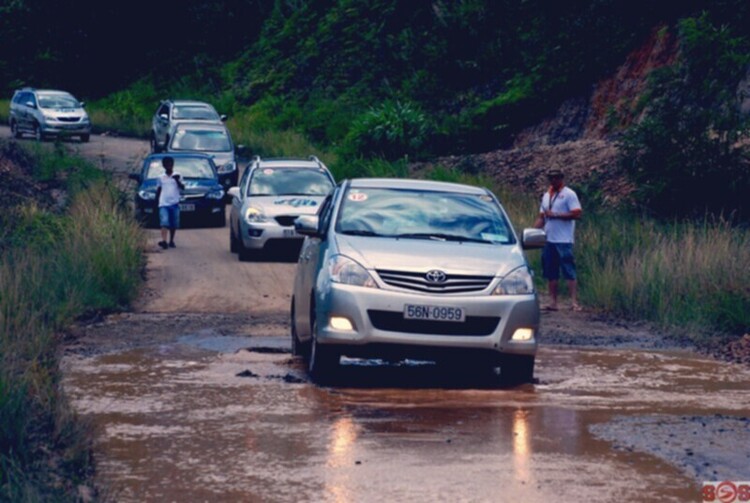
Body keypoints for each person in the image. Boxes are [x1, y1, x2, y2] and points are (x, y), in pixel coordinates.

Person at [533, 168, 583, 311]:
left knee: (569, 269)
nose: (553, 180)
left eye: (556, 177)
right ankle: (553, 302)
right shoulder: (546, 196)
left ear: (561, 178)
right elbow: (542, 217)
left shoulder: (569, 194)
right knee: (551, 271)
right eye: (551, 178)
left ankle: (574, 302)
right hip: (549, 239)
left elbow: (577, 214)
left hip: (564, 240)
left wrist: (555, 215)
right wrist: (531, 231)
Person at [155, 156, 184, 249]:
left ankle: (171, 240)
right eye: (167, 164)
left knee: (174, 223)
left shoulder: (178, 175)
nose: (169, 166)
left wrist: (177, 180)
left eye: (170, 164)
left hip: (174, 203)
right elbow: (159, 189)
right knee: (164, 222)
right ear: (164, 166)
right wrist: (156, 201)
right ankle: (164, 240)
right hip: (163, 203)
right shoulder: (160, 177)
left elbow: (182, 188)